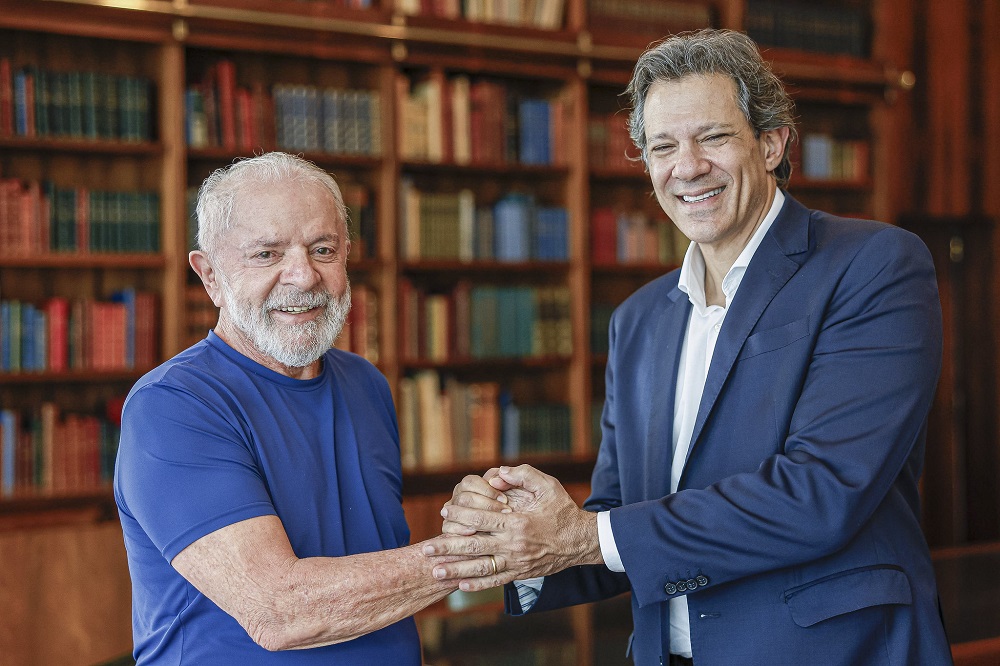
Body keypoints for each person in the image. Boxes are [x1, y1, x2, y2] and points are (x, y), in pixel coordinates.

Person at [422, 29, 954, 665]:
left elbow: (821, 493)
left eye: (713, 137)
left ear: (772, 143)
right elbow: (623, 517)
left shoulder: (874, 265)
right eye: (663, 146)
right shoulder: (637, 320)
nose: (688, 166)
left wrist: (581, 536)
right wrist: (517, 540)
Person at [115, 152, 464, 664]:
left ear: (346, 257)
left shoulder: (367, 384)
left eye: (323, 249)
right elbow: (279, 612)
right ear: (210, 276)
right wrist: (480, 554)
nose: (303, 276)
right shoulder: (171, 406)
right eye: (266, 254)